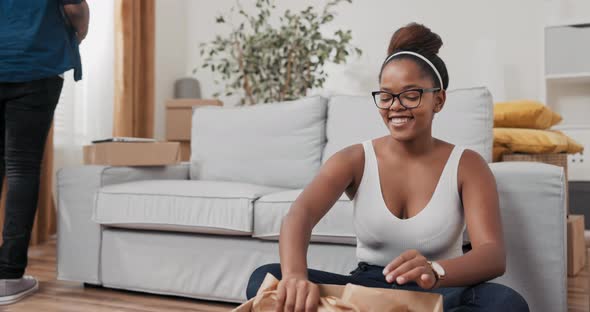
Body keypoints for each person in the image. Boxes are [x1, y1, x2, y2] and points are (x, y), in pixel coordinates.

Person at [246, 23, 529, 312]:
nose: (396, 106)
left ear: (439, 100)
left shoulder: (467, 165)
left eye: (411, 95)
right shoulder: (354, 159)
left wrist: (436, 271)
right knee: (268, 279)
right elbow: (299, 215)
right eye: (386, 95)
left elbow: (492, 255)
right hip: (368, 290)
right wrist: (295, 276)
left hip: (439, 291)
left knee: (506, 303)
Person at [0, 0, 88, 305]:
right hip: (34, 63)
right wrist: (80, 32)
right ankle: (8, 275)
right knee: (22, 167)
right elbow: (75, 7)